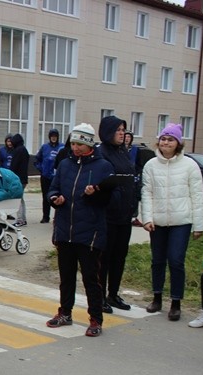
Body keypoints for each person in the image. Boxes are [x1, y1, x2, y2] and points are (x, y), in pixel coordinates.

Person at [46, 123, 114, 337]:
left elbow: (112, 198)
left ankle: (95, 318)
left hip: (90, 232)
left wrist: (96, 193)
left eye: (79, 144)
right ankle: (65, 313)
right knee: (66, 276)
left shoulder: (103, 166)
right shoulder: (65, 164)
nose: (74, 147)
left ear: (89, 144)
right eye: (73, 143)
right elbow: (53, 187)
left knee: (90, 278)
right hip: (65, 229)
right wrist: (55, 199)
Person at [140, 123, 203, 321]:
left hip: (181, 221)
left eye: (171, 139)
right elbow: (147, 192)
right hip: (157, 222)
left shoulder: (189, 165)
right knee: (157, 260)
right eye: (163, 139)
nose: (166, 142)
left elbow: (197, 195)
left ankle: (176, 302)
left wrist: (198, 224)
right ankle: (157, 297)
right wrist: (147, 218)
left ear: (178, 143)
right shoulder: (151, 165)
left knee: (176, 260)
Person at [97, 116, 138, 314]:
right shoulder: (101, 153)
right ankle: (100, 296)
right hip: (108, 216)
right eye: (118, 130)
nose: (122, 133)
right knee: (104, 258)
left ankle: (113, 294)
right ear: (107, 131)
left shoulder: (123, 152)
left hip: (125, 215)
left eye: (124, 129)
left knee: (119, 257)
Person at [34, 128, 63, 224]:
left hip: (57, 177)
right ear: (49, 137)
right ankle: (45, 216)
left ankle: (57, 217)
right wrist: (41, 169)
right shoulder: (44, 147)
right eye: (52, 136)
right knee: (46, 197)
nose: (54, 138)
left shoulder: (61, 147)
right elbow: (37, 160)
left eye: (55, 136)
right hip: (45, 176)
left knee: (58, 197)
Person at [8, 133, 29, 226]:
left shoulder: (17, 151)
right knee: (21, 199)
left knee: (18, 200)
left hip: (18, 178)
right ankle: (23, 218)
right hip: (24, 178)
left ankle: (20, 219)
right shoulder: (24, 150)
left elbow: (14, 165)